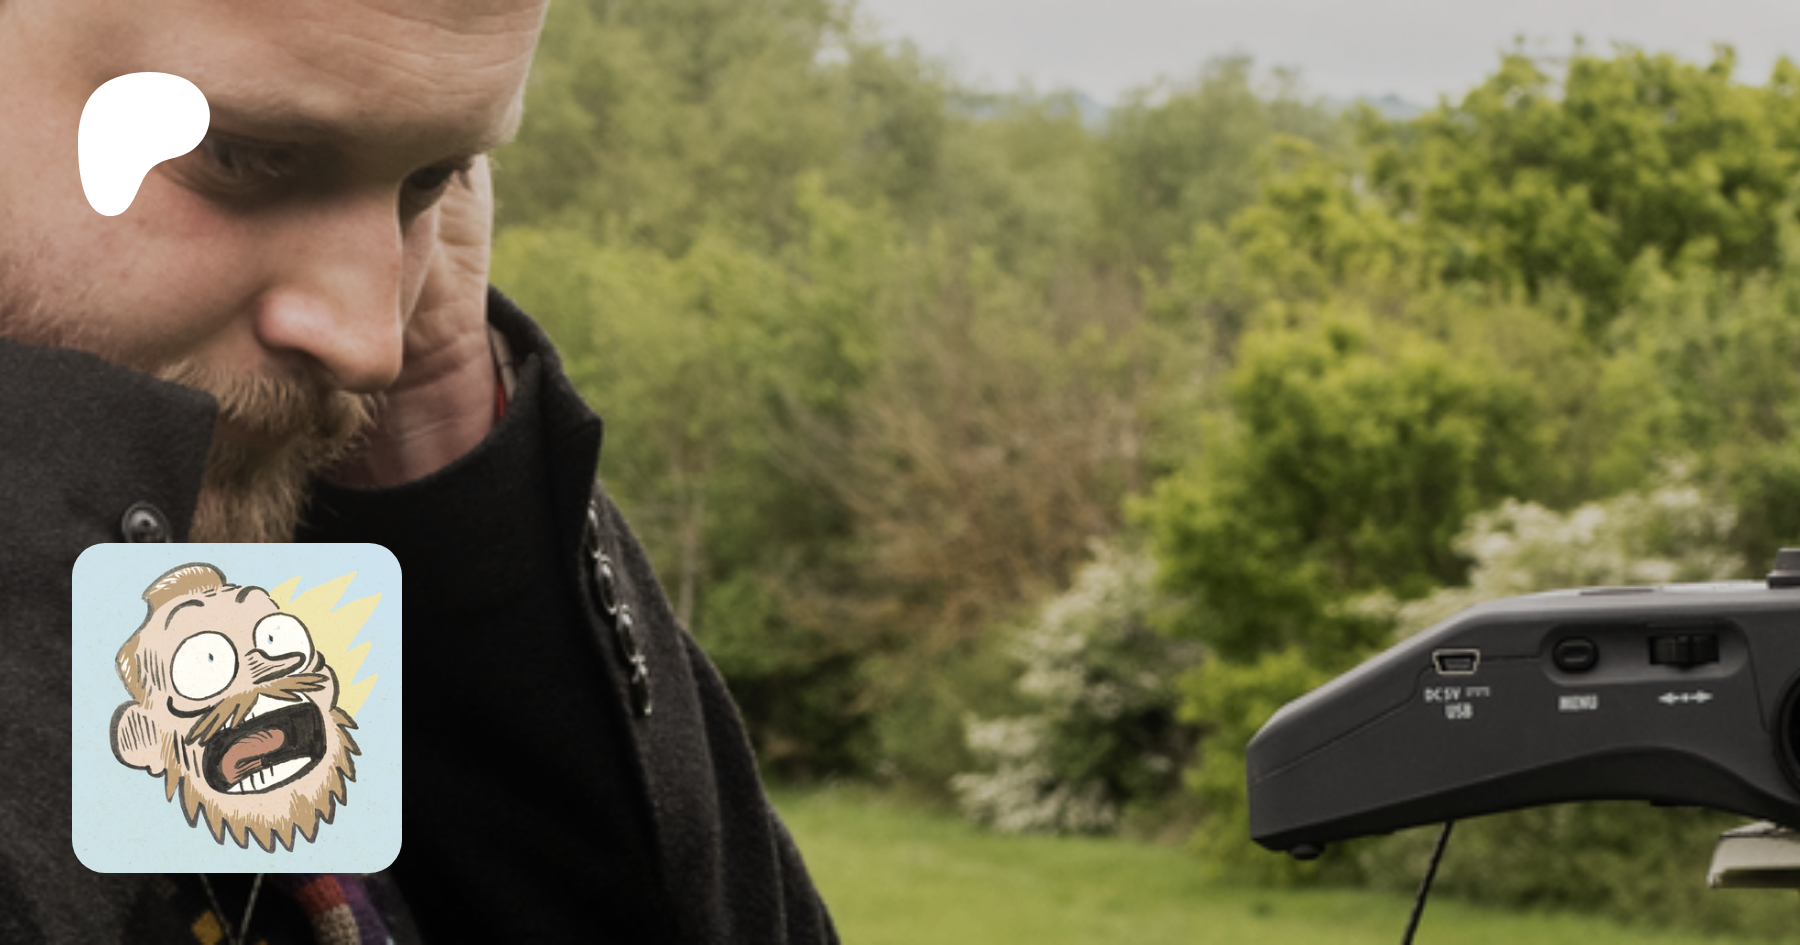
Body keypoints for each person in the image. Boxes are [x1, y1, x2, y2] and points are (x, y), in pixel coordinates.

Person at [0, 0, 839, 941]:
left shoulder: (197, 607)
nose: (372, 346)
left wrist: (447, 450)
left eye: (428, 178)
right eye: (234, 154)